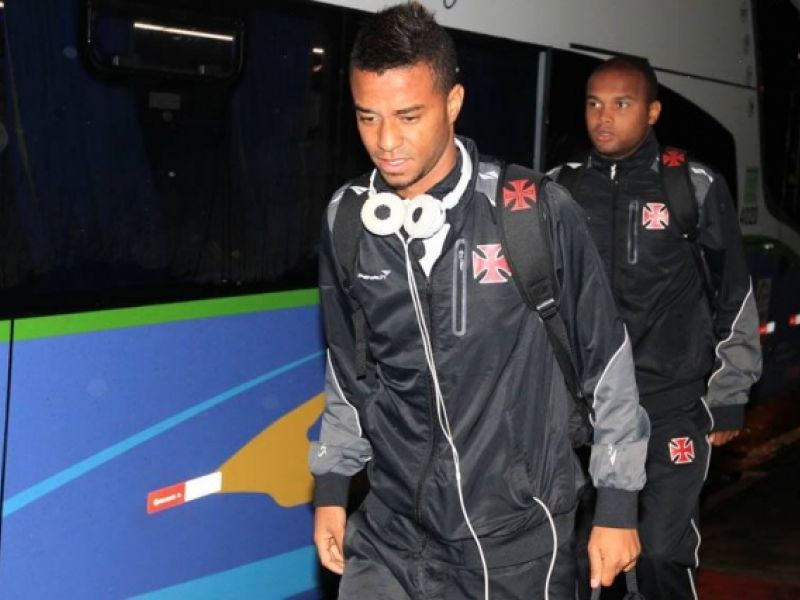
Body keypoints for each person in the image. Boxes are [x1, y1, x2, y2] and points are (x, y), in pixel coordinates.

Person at [309, 5, 650, 598]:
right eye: (368, 116)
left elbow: (607, 363)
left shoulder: (532, 213)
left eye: (408, 116)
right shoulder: (348, 222)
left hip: (514, 542)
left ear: (453, 102)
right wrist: (333, 489)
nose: (385, 141)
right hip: (391, 535)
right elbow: (348, 373)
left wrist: (618, 504)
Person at [551, 56, 762, 599]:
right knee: (583, 561)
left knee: (663, 554)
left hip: (671, 405)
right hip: (586, 412)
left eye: (621, 104)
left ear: (652, 112)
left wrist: (729, 393)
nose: (604, 117)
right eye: (594, 103)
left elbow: (733, 295)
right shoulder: (560, 190)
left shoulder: (692, 186)